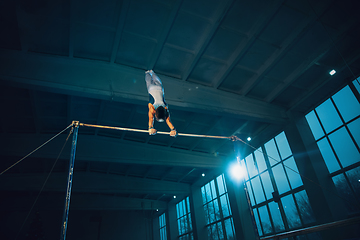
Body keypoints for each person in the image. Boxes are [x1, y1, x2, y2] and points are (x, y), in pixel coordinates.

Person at [145, 70, 177, 137]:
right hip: (151, 89)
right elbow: (151, 118)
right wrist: (150, 128)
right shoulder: (152, 108)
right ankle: (147, 73)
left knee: (157, 80)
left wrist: (173, 129)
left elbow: (168, 121)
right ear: (156, 115)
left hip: (160, 89)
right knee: (148, 81)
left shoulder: (165, 108)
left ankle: (152, 72)